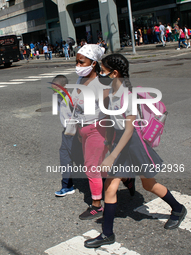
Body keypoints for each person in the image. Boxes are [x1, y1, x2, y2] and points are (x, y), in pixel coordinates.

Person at [84, 53, 187, 248]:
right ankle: (107, 234)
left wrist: (112, 155)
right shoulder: (111, 94)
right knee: (110, 187)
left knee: (149, 185)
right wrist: (108, 142)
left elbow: (130, 129)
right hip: (120, 145)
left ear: (114, 73)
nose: (100, 74)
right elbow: (113, 123)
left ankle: (178, 208)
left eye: (103, 71)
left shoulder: (127, 96)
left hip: (134, 145)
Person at [73, 45, 134, 220]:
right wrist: (78, 129)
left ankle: (96, 205)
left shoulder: (101, 84)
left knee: (91, 167)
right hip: (84, 129)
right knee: (99, 166)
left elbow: (108, 112)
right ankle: (126, 178)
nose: (77, 65)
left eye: (81, 62)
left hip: (97, 129)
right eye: (76, 61)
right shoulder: (79, 79)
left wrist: (108, 136)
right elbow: (78, 107)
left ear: (93, 63)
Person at [52, 75, 84, 197]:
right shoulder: (58, 97)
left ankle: (101, 182)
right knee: (65, 158)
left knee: (81, 160)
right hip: (67, 132)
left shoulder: (72, 99)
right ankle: (66, 186)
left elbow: (80, 116)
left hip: (76, 133)